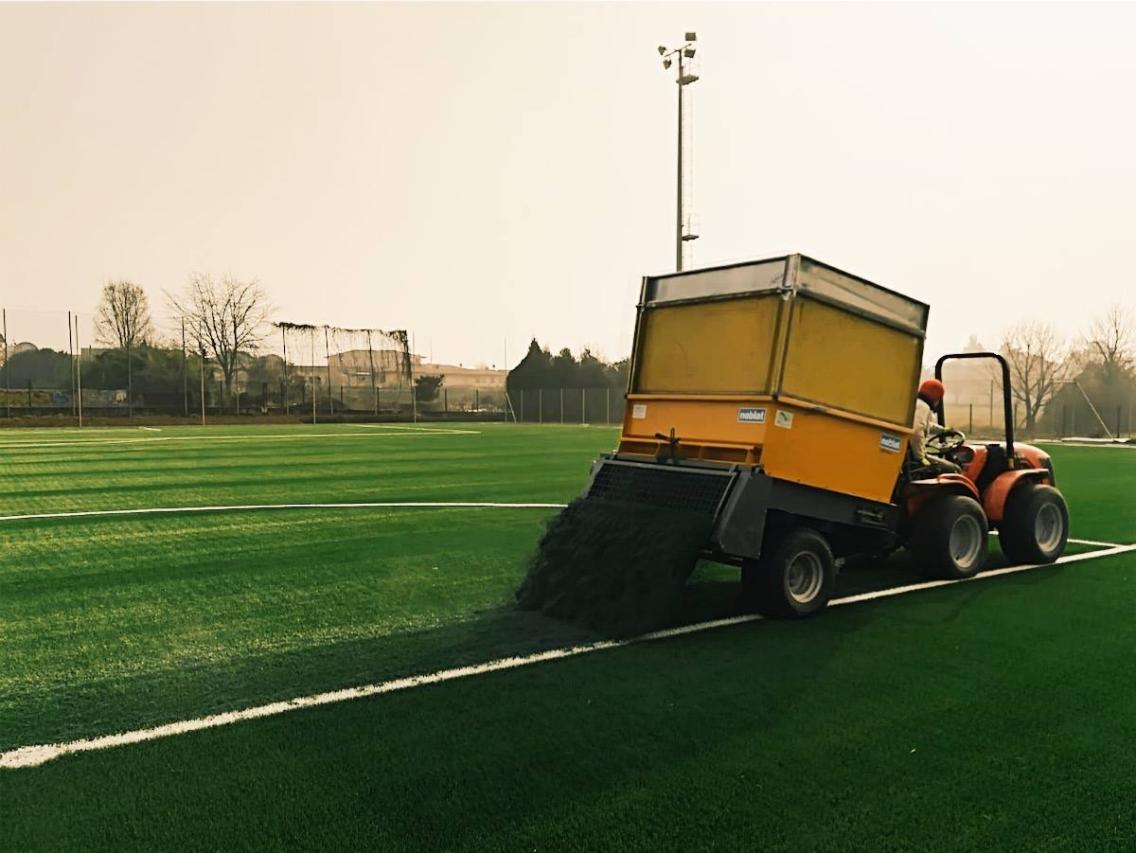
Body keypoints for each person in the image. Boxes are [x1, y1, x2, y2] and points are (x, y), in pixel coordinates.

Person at [911, 378, 960, 475]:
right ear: (935, 397)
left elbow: (925, 425)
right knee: (954, 469)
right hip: (914, 457)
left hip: (912, 455)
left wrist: (942, 430)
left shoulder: (917, 404)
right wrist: (921, 458)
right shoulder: (923, 407)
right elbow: (916, 431)